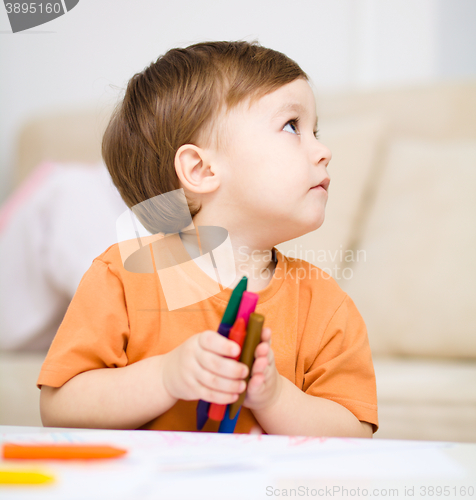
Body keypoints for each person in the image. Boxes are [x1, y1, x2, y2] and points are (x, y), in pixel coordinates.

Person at [38, 40, 378, 437]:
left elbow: (355, 434)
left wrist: (274, 398)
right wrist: (165, 378)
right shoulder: (121, 276)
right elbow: (59, 406)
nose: (323, 150)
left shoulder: (326, 306)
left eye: (314, 130)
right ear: (200, 169)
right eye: (291, 126)